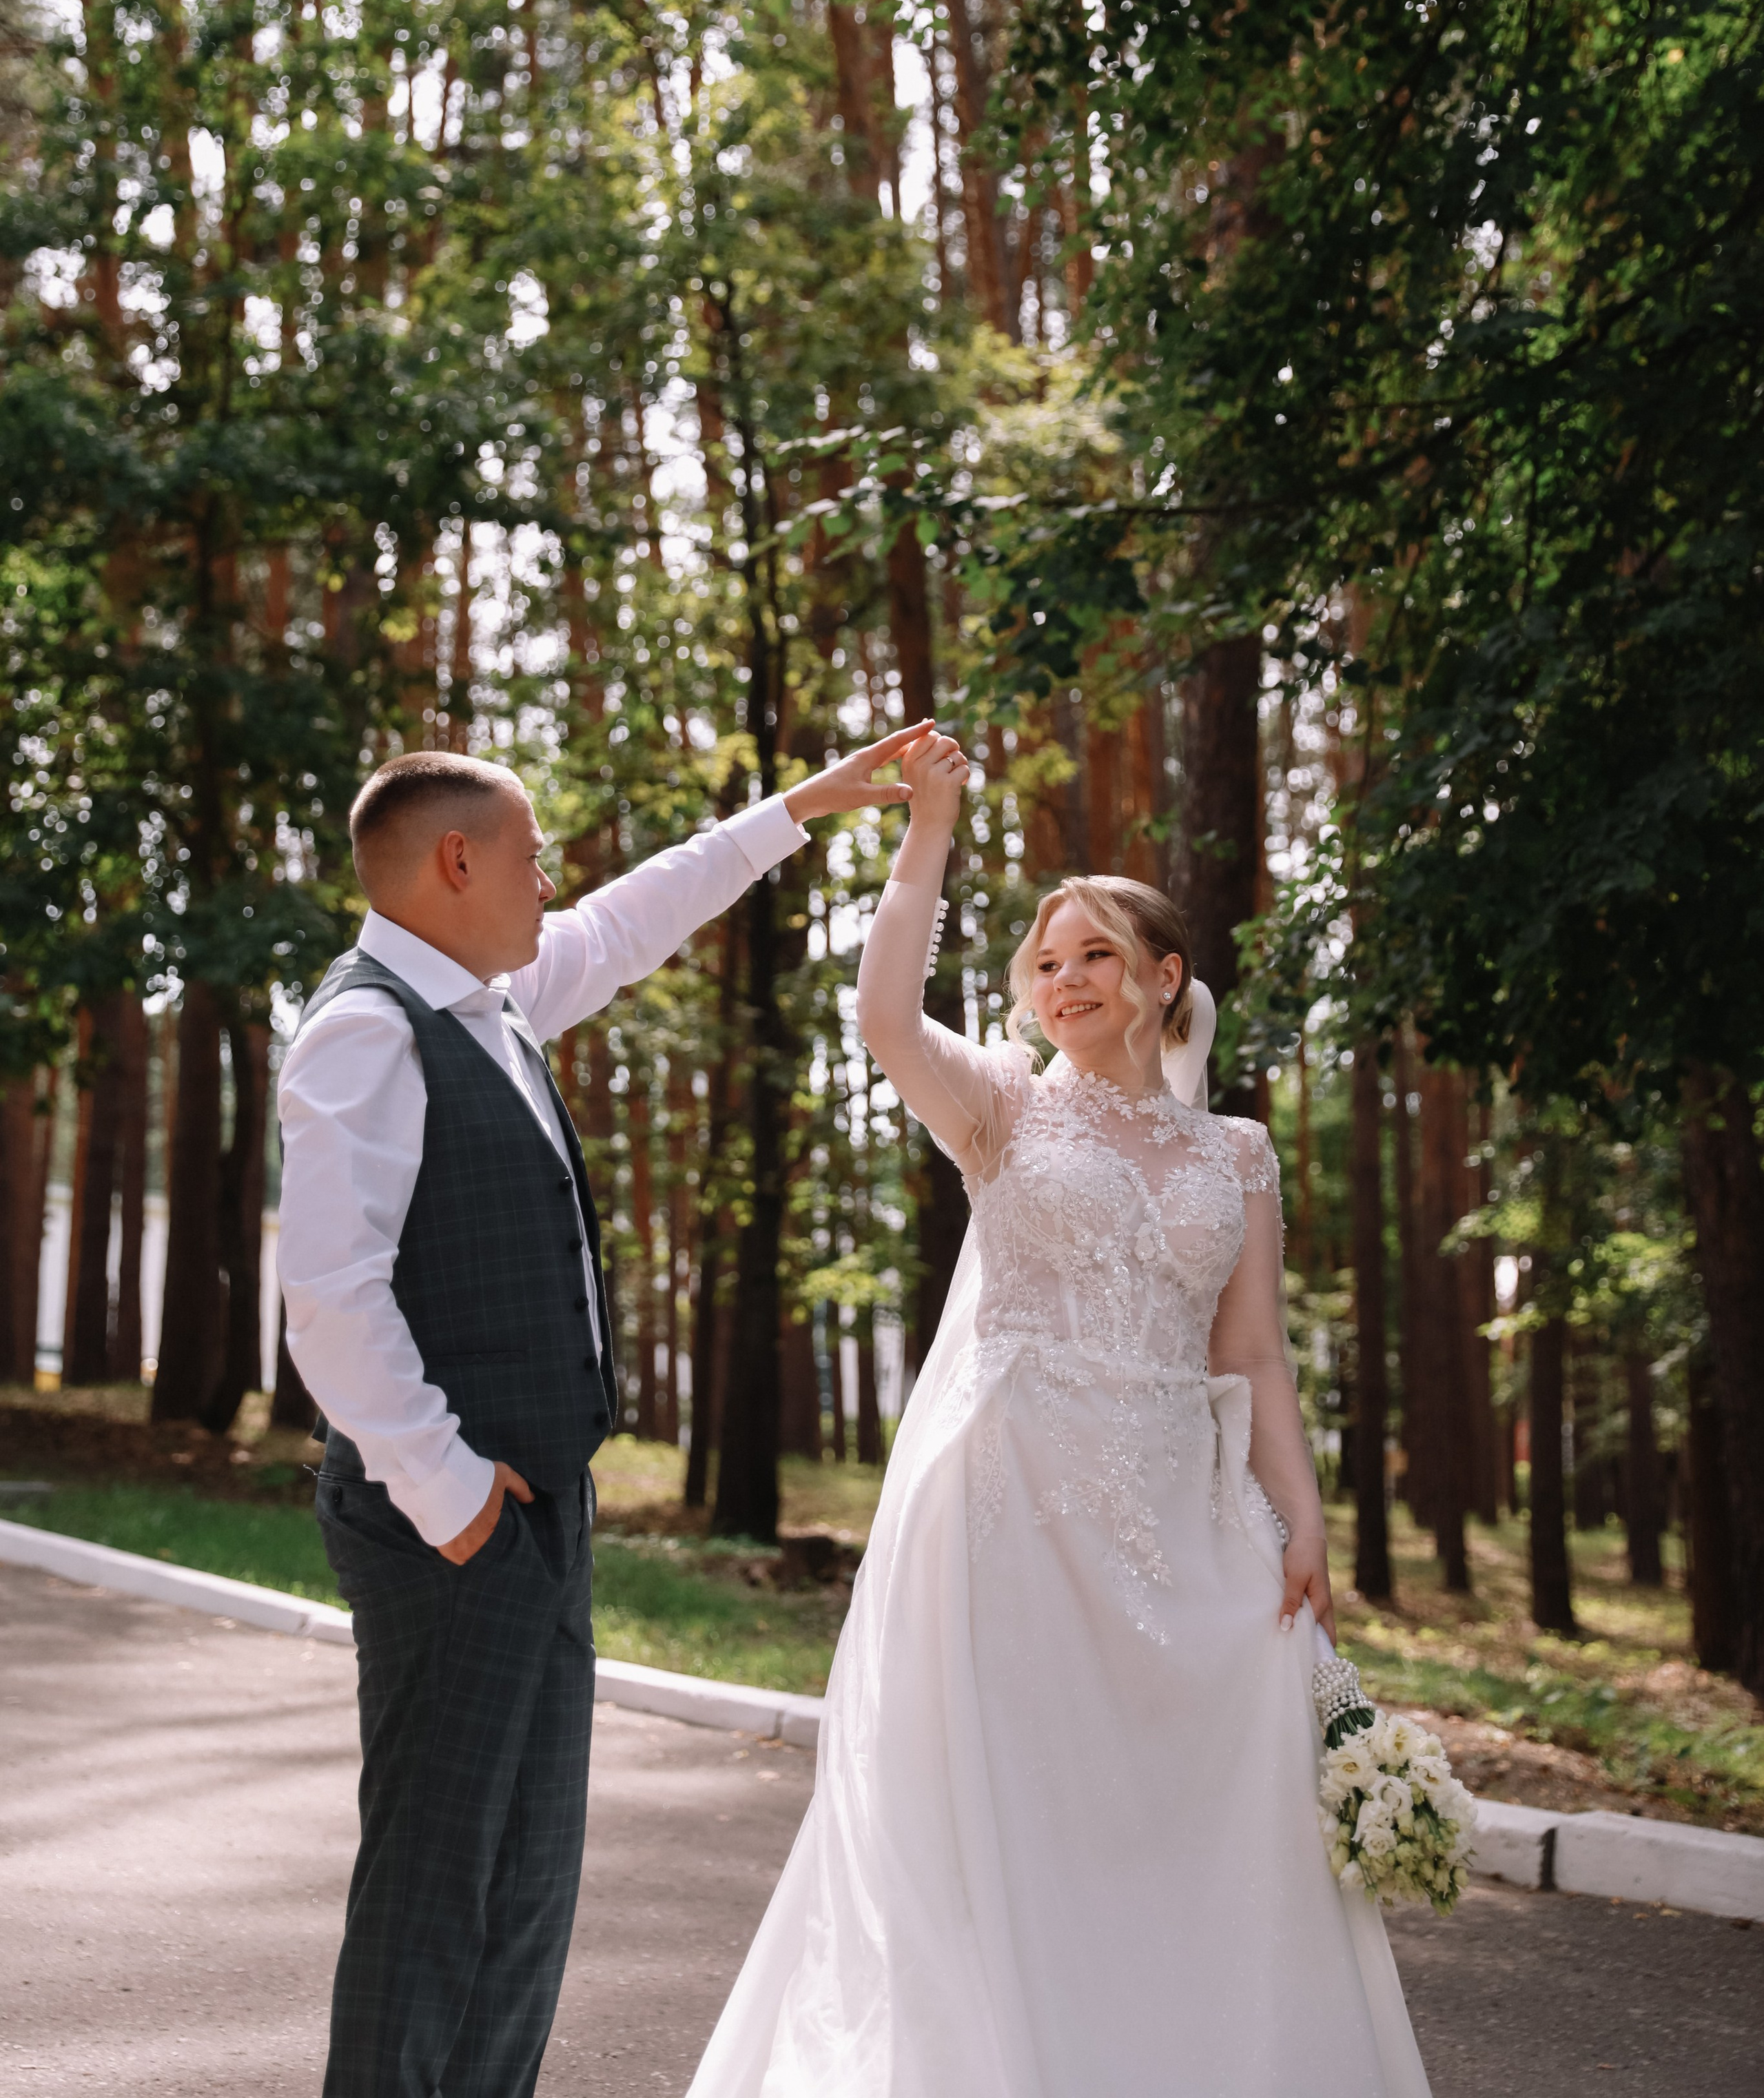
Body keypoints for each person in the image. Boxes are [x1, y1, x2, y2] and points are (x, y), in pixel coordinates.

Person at [687, 729, 1432, 2098]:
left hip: (1184, 1504)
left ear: (1164, 978)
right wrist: (929, 828)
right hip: (1012, 1503)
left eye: (1095, 954)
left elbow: (1254, 1354)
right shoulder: (1001, 1109)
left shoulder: (1237, 1154)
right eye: (1044, 962)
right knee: (1020, 1805)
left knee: (1194, 1798)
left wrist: (1301, 1521)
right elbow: (885, 1018)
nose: (1064, 978)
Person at [276, 726, 931, 2098]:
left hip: (537, 1511)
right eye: (530, 856)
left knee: (526, 1888)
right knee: (435, 1881)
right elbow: (332, 1302)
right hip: (452, 1526)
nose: (549, 881)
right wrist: (452, 1496)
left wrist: (799, 809)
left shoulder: (496, 1000)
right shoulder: (366, 1029)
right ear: (456, 863)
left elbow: (634, 918)